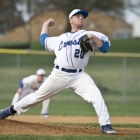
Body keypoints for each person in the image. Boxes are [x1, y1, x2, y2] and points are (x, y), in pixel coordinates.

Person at [0, 9, 116, 134]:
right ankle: (9, 111)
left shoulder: (90, 34)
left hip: (79, 75)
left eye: (82, 16)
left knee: (96, 94)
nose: (81, 18)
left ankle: (106, 125)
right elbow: (44, 40)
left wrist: (93, 37)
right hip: (59, 74)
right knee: (37, 96)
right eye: (77, 16)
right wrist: (45, 25)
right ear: (70, 20)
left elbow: (105, 48)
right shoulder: (61, 38)